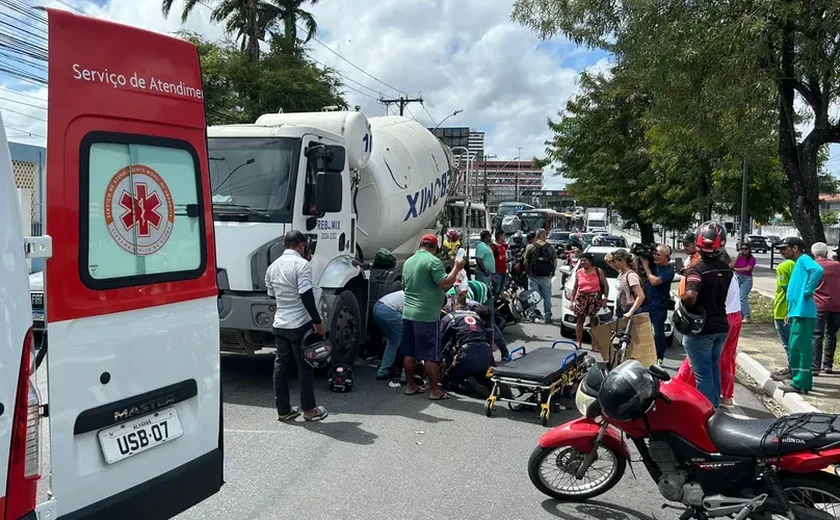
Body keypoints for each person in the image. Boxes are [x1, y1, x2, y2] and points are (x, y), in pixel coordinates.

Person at [265, 230, 328, 422]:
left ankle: (283, 410)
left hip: (280, 322)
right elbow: (306, 295)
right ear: (302, 245)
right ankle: (309, 410)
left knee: (281, 366)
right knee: (305, 366)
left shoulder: (273, 267)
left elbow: (271, 295)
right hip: (299, 323)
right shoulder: (301, 265)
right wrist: (317, 321)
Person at [401, 233, 465, 400]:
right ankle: (435, 391)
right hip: (427, 315)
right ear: (435, 248)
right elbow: (445, 284)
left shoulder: (408, 262)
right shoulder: (433, 261)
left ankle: (410, 386)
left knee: (410, 353)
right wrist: (456, 268)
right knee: (431, 355)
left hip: (408, 313)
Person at [681, 222, 733, 409]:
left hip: (701, 328)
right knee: (712, 368)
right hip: (721, 326)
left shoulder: (697, 269)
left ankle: (707, 412)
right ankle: (716, 407)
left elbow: (691, 295)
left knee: (702, 373)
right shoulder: (727, 268)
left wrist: (684, 303)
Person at [675, 264, 741, 408]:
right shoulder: (727, 271)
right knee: (721, 359)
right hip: (733, 315)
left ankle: (686, 394)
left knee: (699, 363)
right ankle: (724, 397)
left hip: (714, 317)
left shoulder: (703, 270)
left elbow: (691, 295)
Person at [776, 237, 823, 394]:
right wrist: (790, 312)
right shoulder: (798, 263)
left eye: (785, 248)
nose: (781, 251)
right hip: (797, 311)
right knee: (796, 346)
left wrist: (808, 290)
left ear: (795, 248)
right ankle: (802, 381)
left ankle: (798, 383)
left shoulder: (803, 259)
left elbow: (818, 270)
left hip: (804, 312)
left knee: (800, 347)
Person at [440, 302, 495, 398]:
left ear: (453, 306)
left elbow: (441, 342)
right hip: (485, 351)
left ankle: (469, 386)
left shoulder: (449, 317)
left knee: (448, 380)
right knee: (479, 373)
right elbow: (489, 336)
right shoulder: (477, 316)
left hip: (467, 352)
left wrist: (440, 361)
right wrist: (491, 363)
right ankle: (491, 385)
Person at [445, 279, 508, 358]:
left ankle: (504, 352)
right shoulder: (447, 302)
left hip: (484, 292)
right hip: (471, 289)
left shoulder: (470, 305)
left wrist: (489, 356)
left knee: (490, 326)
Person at [640, 245, 676, 364]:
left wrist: (646, 268)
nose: (655, 256)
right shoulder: (652, 265)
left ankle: (659, 357)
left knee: (658, 333)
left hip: (659, 305)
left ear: (667, 257)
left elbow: (654, 281)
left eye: (658, 255)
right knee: (642, 331)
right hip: (646, 303)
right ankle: (643, 355)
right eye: (654, 254)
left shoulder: (668, 270)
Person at [812, 242, 840, 375]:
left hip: (819, 304)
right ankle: (828, 365)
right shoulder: (837, 265)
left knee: (817, 335)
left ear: (813, 254)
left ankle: (815, 365)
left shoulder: (812, 266)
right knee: (831, 334)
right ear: (826, 253)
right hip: (836, 304)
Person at [570, 252, 608, 349]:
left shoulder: (598, 271)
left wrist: (605, 299)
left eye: (584, 260)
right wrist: (572, 301)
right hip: (581, 298)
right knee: (579, 321)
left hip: (595, 298)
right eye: (581, 260)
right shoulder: (579, 272)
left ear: (590, 261)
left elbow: (605, 285)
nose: (583, 262)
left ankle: (594, 344)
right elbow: (575, 287)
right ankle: (579, 342)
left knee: (594, 322)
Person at [770, 248, 796, 382]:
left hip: (782, 310)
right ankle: (793, 368)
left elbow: (787, 290)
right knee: (793, 342)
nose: (781, 252)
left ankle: (791, 370)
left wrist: (788, 311)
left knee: (787, 343)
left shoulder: (783, 266)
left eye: (784, 249)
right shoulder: (796, 266)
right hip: (794, 310)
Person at [524, 229, 557, 323]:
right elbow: (554, 261)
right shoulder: (550, 247)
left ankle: (533, 316)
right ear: (544, 235)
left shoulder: (530, 247)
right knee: (547, 296)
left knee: (533, 296)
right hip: (546, 276)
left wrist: (529, 272)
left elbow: (525, 261)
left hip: (533, 276)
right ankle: (548, 316)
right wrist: (552, 273)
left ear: (536, 236)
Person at [372, 290, 404, 380]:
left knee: (393, 339)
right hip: (388, 310)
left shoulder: (412, 292)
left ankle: (385, 366)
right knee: (401, 339)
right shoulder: (419, 299)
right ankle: (386, 370)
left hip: (378, 306)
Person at [606, 249, 645, 320]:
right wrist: (608, 258)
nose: (613, 264)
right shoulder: (622, 273)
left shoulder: (631, 275)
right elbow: (609, 262)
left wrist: (630, 312)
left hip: (629, 307)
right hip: (620, 307)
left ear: (622, 261)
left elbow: (641, 295)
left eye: (615, 262)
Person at [731, 244, 757, 323]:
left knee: (742, 297)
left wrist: (736, 269)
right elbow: (731, 265)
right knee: (736, 297)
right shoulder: (739, 257)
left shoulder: (751, 259)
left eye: (746, 249)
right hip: (738, 277)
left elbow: (747, 268)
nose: (744, 251)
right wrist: (737, 257)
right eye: (742, 249)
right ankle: (740, 315)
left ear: (749, 250)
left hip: (746, 279)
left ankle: (747, 316)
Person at [678, 232, 701, 298]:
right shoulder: (689, 257)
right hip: (684, 299)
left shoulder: (700, 259)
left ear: (695, 244)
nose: (684, 248)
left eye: (687, 245)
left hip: (692, 299)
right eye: (683, 245)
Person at [491, 231, 509, 297]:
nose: (505, 238)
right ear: (500, 236)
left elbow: (510, 246)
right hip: (496, 272)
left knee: (502, 290)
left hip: (504, 271)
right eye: (504, 236)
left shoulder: (504, 246)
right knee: (496, 289)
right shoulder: (493, 247)